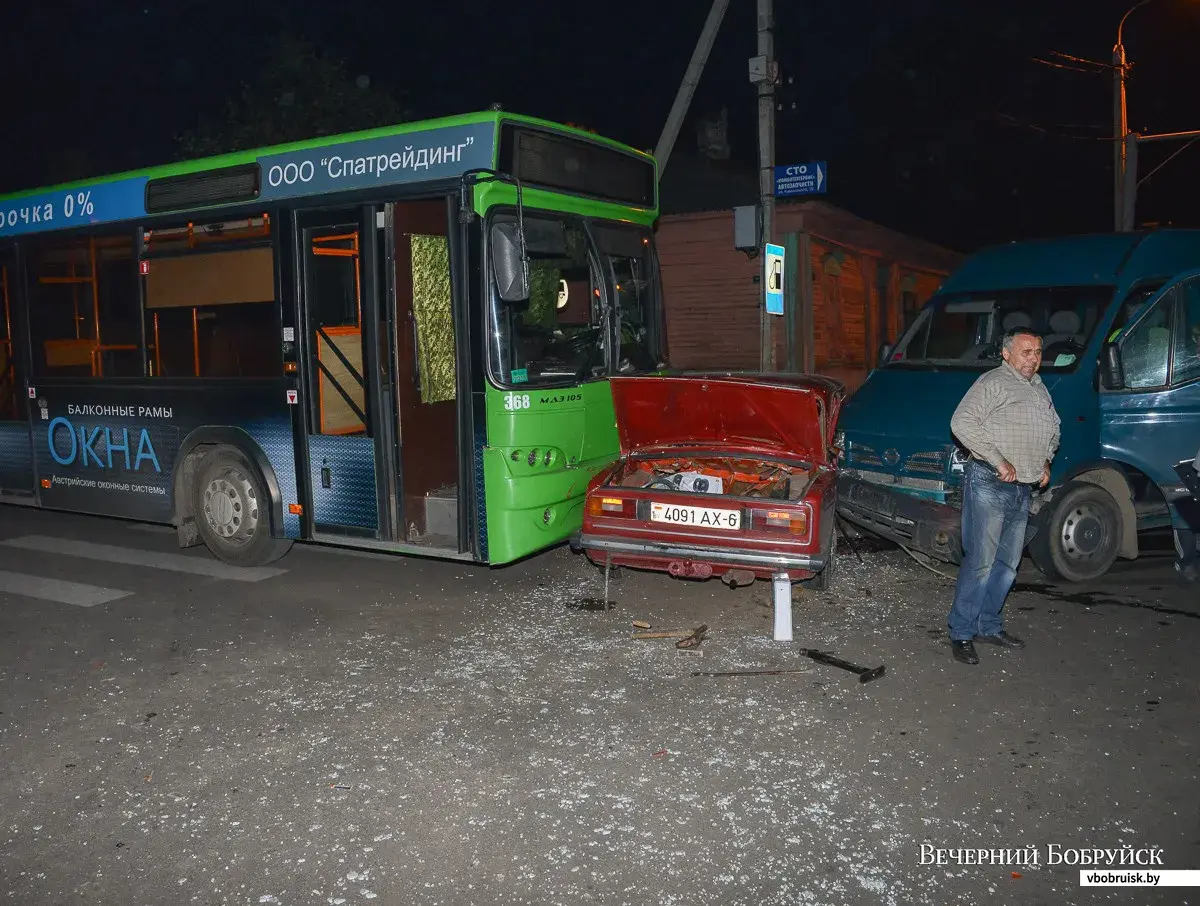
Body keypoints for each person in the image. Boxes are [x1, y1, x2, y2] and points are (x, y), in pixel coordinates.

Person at [946, 326, 1061, 665]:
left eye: (1038, 352)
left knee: (1008, 566)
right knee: (980, 562)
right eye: (1026, 352)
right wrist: (997, 459)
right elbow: (962, 423)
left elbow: (1054, 428)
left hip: (1022, 488)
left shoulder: (1039, 389)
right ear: (1007, 354)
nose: (1034, 359)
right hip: (988, 483)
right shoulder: (993, 382)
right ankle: (962, 632)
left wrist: (1044, 460)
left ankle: (988, 624)